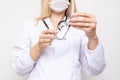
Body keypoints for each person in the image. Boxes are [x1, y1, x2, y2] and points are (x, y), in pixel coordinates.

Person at [12, 0, 106, 80]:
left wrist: (92, 37)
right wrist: (38, 47)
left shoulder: (80, 28)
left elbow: (95, 69)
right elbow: (19, 69)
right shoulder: (31, 26)